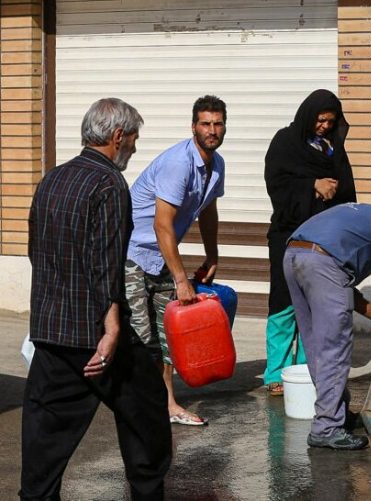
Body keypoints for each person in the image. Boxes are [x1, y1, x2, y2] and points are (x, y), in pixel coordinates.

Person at [21, 98, 171, 499]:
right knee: (148, 406)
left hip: (51, 328)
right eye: (135, 138)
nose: (135, 148)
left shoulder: (51, 178)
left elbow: (36, 250)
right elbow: (107, 262)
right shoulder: (109, 184)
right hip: (94, 334)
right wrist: (111, 330)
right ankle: (146, 491)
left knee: (46, 427)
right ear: (118, 136)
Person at [283, 202, 371, 450]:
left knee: (317, 347)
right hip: (321, 263)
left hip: (294, 254)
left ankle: (335, 413)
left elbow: (340, 283)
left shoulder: (362, 217)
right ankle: (327, 427)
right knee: (333, 349)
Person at [125, 95, 227, 426]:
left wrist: (212, 254)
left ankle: (166, 403)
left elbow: (208, 209)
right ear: (193, 126)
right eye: (205, 123)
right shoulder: (179, 164)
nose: (212, 130)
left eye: (217, 123)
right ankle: (137, 404)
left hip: (162, 255)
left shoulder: (216, 164)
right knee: (142, 335)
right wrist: (181, 279)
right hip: (133, 254)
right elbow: (161, 224)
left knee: (167, 336)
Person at [263, 89, 356, 397]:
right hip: (288, 236)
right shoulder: (285, 143)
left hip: (322, 241)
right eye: (319, 120)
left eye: (330, 122)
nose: (324, 127)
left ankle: (305, 367)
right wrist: (312, 187)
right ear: (307, 116)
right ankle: (275, 371)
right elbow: (277, 186)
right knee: (283, 304)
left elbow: (347, 193)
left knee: (315, 305)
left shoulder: (333, 149)